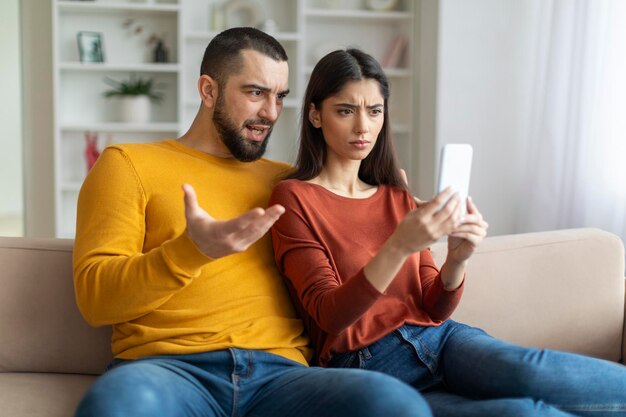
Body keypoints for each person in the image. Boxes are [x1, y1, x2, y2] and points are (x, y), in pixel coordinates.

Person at [72, 28, 431, 417]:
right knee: (114, 407)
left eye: (280, 96)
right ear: (208, 91)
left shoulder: (293, 185)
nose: (271, 113)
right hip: (169, 369)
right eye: (256, 93)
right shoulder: (128, 164)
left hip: (282, 375)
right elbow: (96, 301)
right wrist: (189, 252)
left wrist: (406, 216)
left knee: (395, 404)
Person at [269, 48, 626, 417]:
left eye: (374, 111)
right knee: (522, 413)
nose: (363, 127)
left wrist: (457, 259)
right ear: (315, 114)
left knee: (530, 369)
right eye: (346, 111)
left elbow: (434, 307)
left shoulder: (396, 194)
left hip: (443, 339)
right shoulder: (294, 198)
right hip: (369, 364)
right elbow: (329, 314)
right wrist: (398, 245)